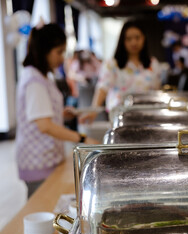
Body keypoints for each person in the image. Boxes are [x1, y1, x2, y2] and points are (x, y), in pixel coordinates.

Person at [16, 23, 99, 198]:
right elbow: (45, 126)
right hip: (38, 160)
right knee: (40, 207)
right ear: (45, 50)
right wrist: (82, 138)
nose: (62, 59)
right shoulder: (34, 80)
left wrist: (61, 114)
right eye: (59, 52)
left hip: (46, 156)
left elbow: (38, 113)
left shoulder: (41, 76)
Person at [79, 20, 161, 123]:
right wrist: (93, 111)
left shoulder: (153, 64)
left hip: (147, 117)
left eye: (137, 38)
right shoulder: (112, 64)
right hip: (119, 117)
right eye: (129, 39)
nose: (133, 42)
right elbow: (103, 88)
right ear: (122, 41)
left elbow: (156, 92)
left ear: (143, 38)